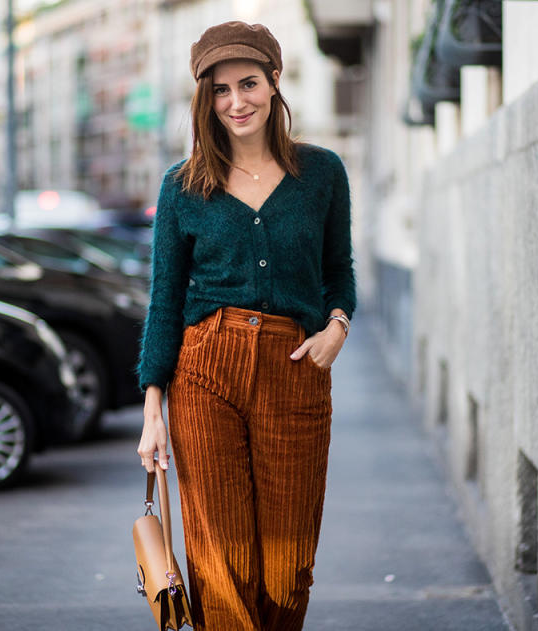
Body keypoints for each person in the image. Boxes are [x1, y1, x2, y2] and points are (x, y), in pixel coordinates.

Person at [136, 20, 356, 631]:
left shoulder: (322, 174)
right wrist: (154, 412)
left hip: (295, 369)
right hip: (205, 371)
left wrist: (336, 327)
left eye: (249, 84)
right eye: (221, 90)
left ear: (275, 82)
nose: (237, 102)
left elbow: (338, 270)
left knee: (288, 564)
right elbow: (165, 302)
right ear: (205, 100)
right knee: (220, 560)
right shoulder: (182, 189)